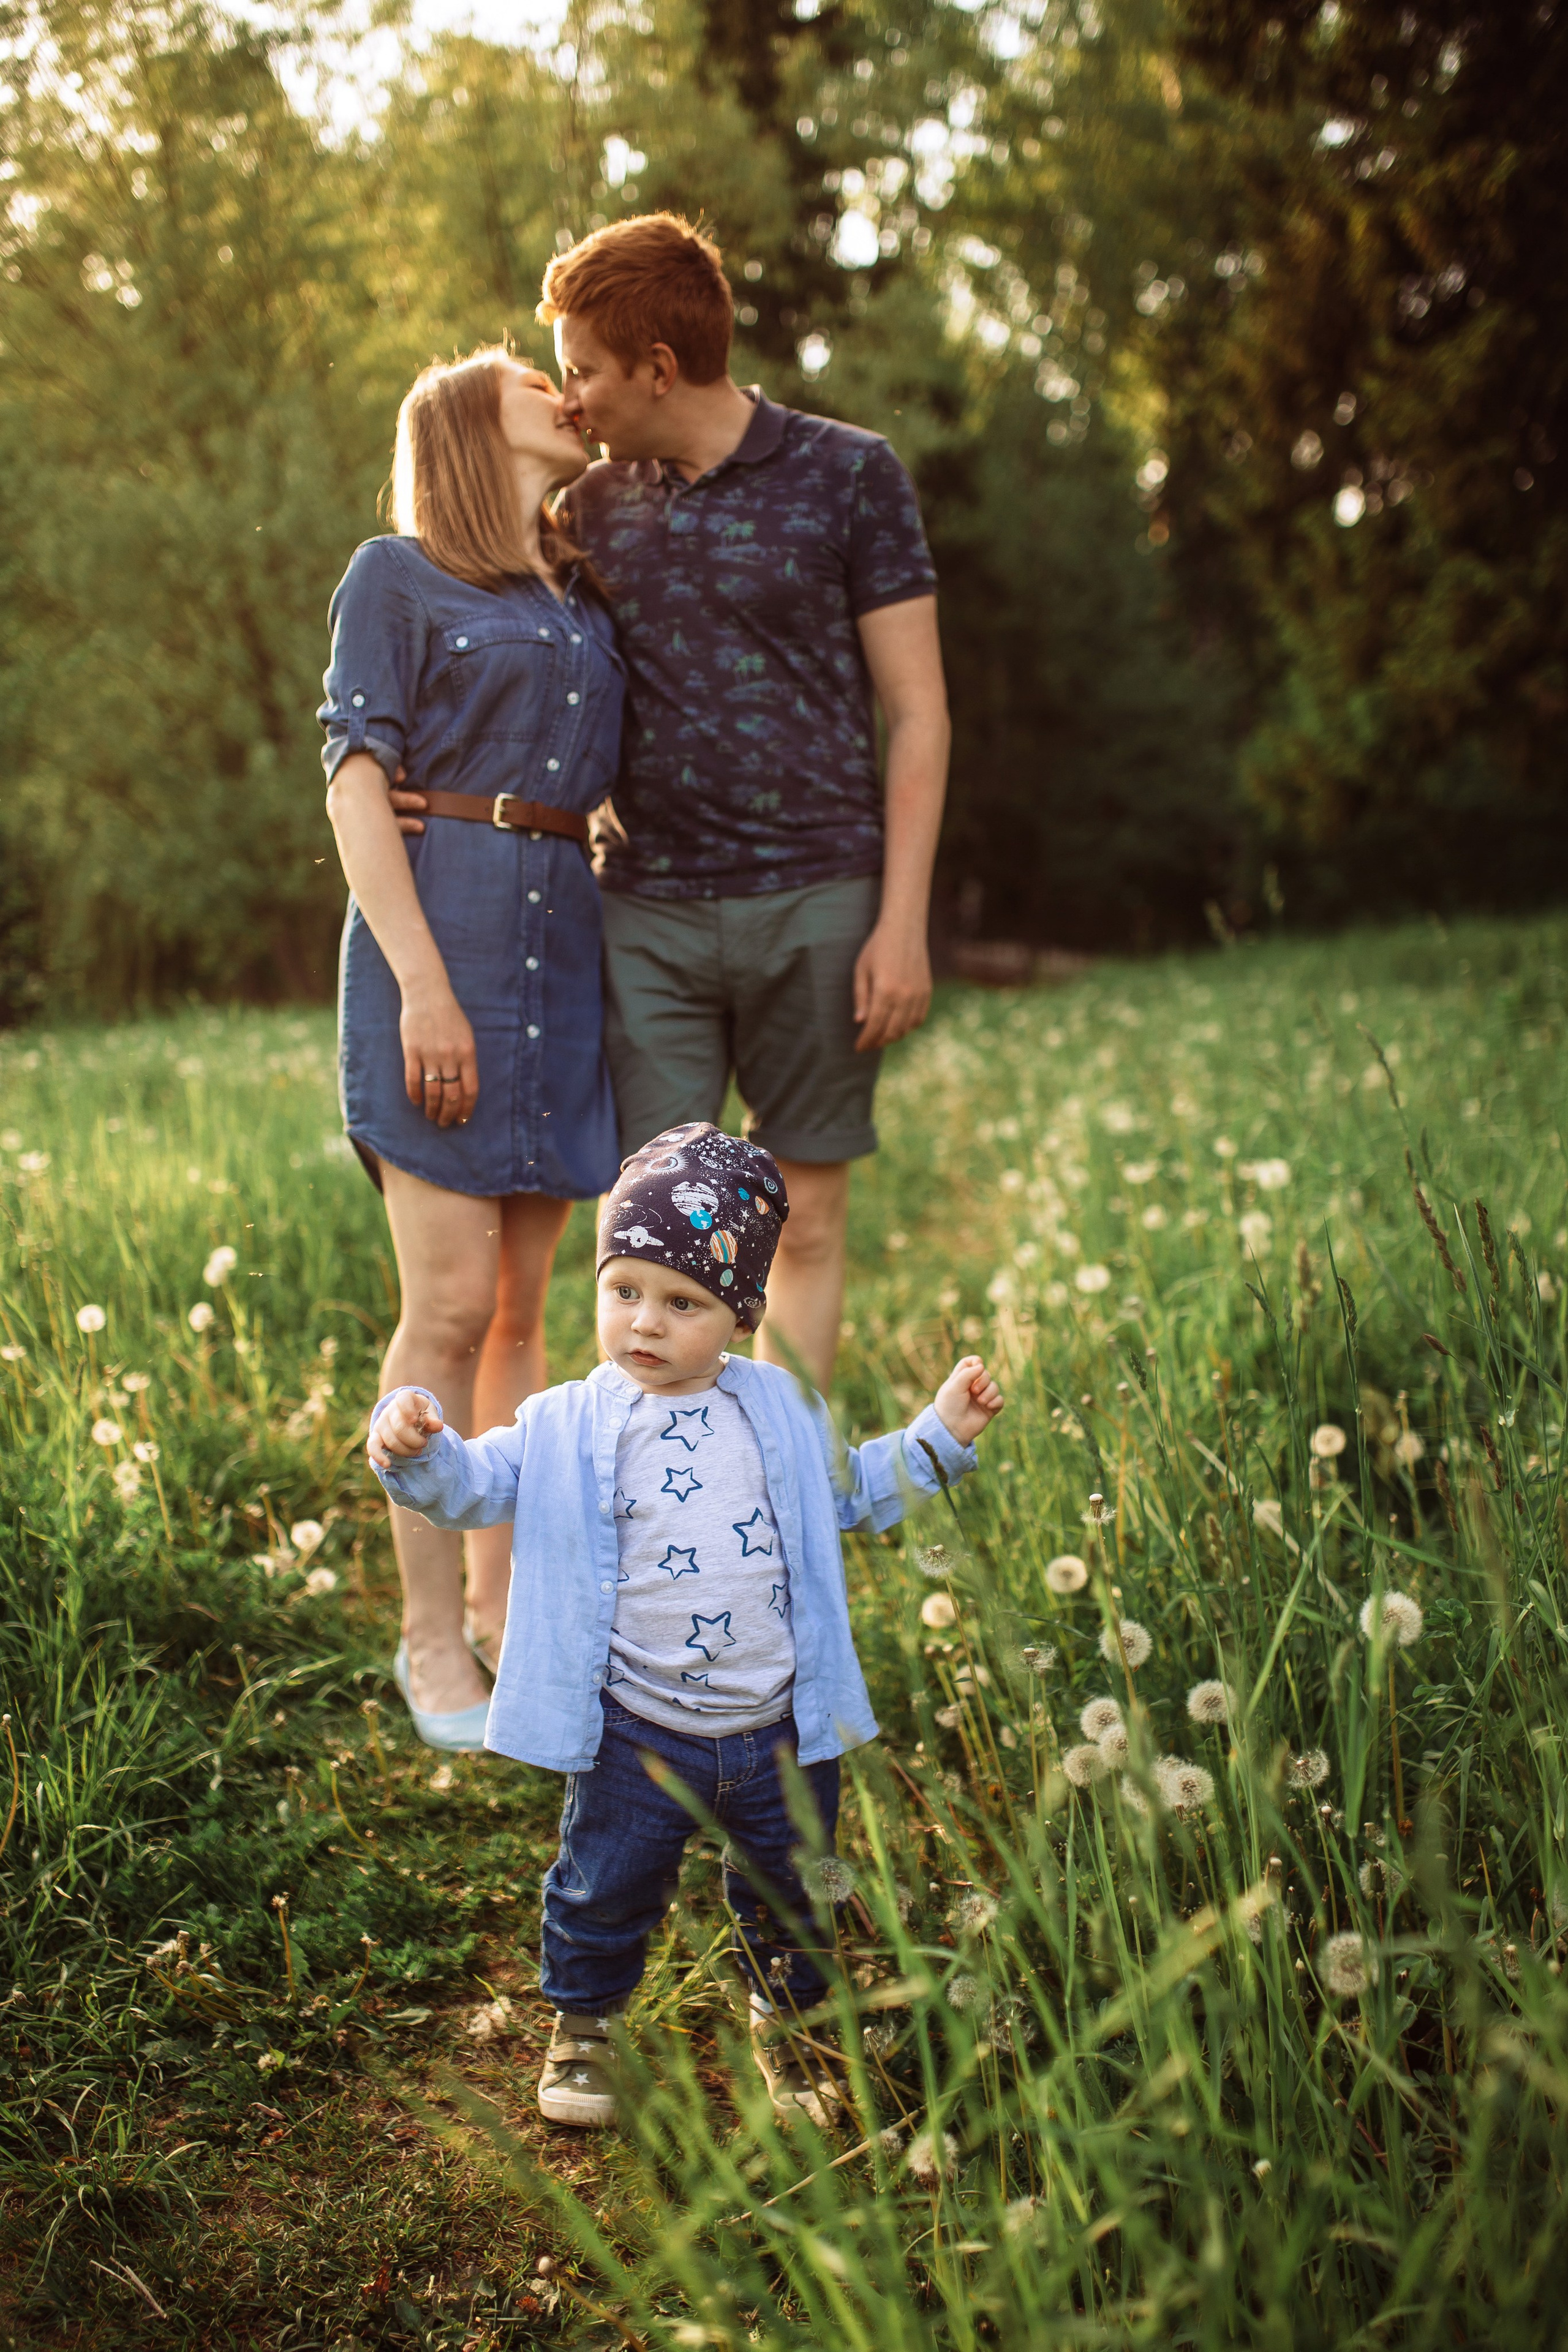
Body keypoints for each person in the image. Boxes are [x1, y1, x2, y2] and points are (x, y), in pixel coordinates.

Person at [367, 1121, 1004, 2127]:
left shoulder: (784, 1409)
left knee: (794, 1896)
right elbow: (474, 1486)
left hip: (779, 1725)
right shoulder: (565, 1419)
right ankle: (585, 2032)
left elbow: (852, 1494)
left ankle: (784, 2027)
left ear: (743, 1313)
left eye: (682, 1302)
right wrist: (415, 1449)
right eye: (622, 1291)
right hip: (636, 1726)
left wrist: (937, 1439)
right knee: (605, 1884)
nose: (644, 1325)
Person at [516, 213, 949, 1397]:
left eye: (586, 369)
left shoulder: (850, 473)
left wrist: (900, 921)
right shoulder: (590, 504)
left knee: (802, 1223)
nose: (573, 395)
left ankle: (786, 1492)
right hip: (646, 911)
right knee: (651, 1236)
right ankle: (659, 1497)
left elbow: (917, 711)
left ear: (657, 368)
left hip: (820, 899)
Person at [321, 347, 624, 1750]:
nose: (560, 390)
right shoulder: (394, 574)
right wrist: (420, 986)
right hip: (434, 949)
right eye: (527, 376)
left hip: (564, 953)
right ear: (462, 422)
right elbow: (355, 783)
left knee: (522, 1318)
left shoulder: (579, 589)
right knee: (445, 1307)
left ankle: (509, 1617)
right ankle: (428, 1641)